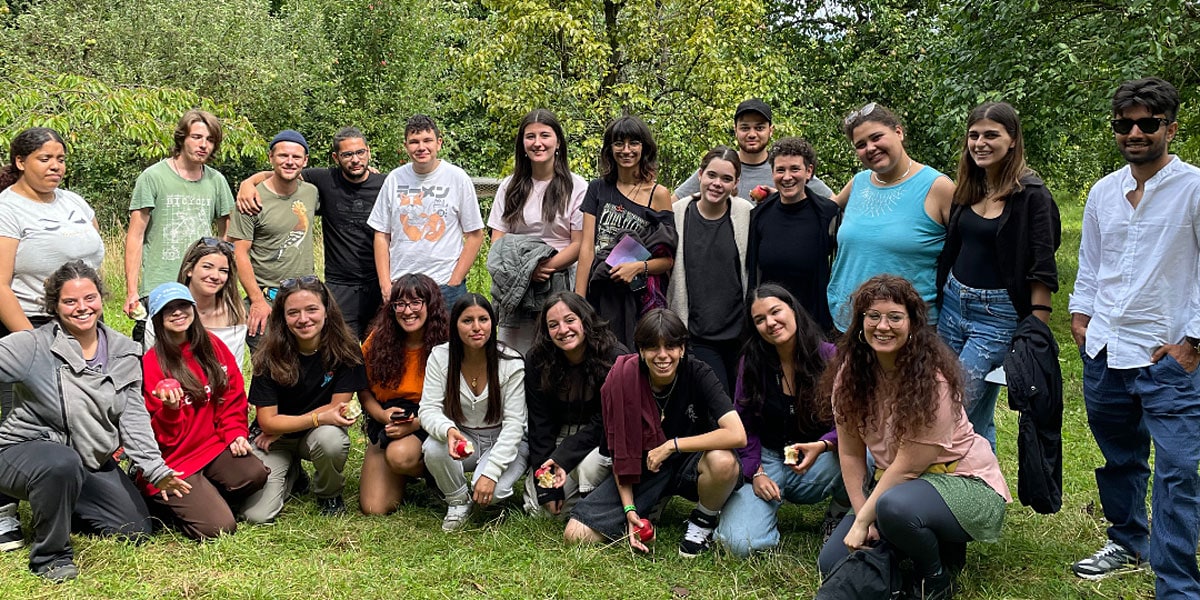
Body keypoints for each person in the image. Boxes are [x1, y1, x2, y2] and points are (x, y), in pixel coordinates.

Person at [1069, 77, 1200, 598]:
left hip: (1168, 356)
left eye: (1148, 123)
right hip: (1105, 351)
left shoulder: (1193, 188)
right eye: (1125, 125)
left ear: (1171, 127)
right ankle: (1127, 542)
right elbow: (1091, 264)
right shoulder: (1104, 191)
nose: (1135, 133)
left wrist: (1193, 342)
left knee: (1176, 476)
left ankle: (1176, 586)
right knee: (1120, 458)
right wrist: (1081, 317)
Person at [817, 275, 1010, 599]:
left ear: (912, 324)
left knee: (894, 508)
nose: (883, 326)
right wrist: (862, 511)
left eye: (895, 317)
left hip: (963, 482)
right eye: (873, 316)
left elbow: (907, 467)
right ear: (860, 322)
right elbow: (850, 454)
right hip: (897, 489)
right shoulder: (851, 374)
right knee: (832, 561)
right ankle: (924, 550)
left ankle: (934, 580)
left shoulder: (932, 380)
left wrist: (864, 521)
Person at [0, 261, 190, 582]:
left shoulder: (123, 351)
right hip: (26, 454)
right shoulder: (32, 345)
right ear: (55, 307)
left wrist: (156, 469)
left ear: (101, 298)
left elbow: (133, 418)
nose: (82, 308)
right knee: (60, 463)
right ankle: (52, 556)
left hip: (90, 462)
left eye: (89, 297)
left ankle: (57, 505)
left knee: (135, 530)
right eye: (70, 301)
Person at [564, 309, 747, 558]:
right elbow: (621, 455)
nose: (662, 355)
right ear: (640, 350)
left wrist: (672, 445)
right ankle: (648, 507)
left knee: (723, 460)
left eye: (671, 346)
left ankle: (703, 521)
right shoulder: (622, 379)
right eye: (653, 347)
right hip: (643, 469)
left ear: (682, 348)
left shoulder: (699, 372)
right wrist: (629, 510)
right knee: (576, 534)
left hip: (688, 462)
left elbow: (737, 434)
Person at [0, 127, 106, 551]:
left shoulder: (75, 203)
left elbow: (96, 264)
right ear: (21, 162)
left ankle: (66, 493)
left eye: (60, 158)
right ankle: (3, 513)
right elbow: (0, 284)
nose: (55, 166)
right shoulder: (8, 208)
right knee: (11, 418)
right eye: (44, 158)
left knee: (70, 410)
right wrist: (30, 342)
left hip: (78, 320)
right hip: (24, 324)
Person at [936, 102, 1061, 450]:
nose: (980, 143)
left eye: (992, 135)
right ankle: (980, 489)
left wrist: (1036, 330)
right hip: (952, 306)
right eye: (974, 135)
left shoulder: (1032, 195)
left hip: (997, 317)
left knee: (954, 405)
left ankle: (961, 486)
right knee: (954, 400)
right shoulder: (969, 187)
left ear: (1013, 140)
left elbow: (1042, 265)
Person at [714, 284, 845, 557]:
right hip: (769, 459)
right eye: (759, 320)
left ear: (793, 309)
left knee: (865, 454)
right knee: (738, 545)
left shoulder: (830, 357)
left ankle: (839, 513)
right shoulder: (752, 363)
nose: (770, 323)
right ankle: (761, 516)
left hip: (819, 459)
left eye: (775, 312)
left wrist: (822, 445)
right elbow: (743, 425)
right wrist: (756, 471)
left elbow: (851, 420)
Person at [139, 282, 268, 540]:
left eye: (183, 306)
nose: (177, 313)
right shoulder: (151, 363)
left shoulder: (212, 345)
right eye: (168, 309)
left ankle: (205, 495)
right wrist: (171, 410)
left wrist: (235, 433)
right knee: (218, 528)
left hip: (211, 445)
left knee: (254, 474)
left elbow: (231, 396)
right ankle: (162, 503)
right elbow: (160, 439)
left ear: (194, 309)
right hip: (175, 459)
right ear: (157, 318)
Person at [235, 126, 387, 339]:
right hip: (338, 285)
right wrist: (248, 182)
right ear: (336, 157)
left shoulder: (386, 184)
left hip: (379, 282)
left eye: (360, 152)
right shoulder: (321, 181)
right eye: (347, 154)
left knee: (379, 353)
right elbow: (285, 172)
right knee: (340, 353)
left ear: (368, 152)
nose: (355, 159)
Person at [240, 275, 366, 522]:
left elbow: (336, 410)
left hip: (314, 434)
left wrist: (287, 426)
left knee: (331, 440)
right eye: (293, 313)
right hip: (273, 439)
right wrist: (314, 418)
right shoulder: (268, 354)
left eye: (311, 309)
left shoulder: (346, 349)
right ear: (283, 318)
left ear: (327, 311)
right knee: (256, 515)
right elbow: (266, 422)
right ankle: (293, 475)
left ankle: (329, 494)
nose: (303, 319)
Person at [827, 103, 954, 332]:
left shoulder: (937, 187)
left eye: (876, 137)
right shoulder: (859, 182)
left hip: (906, 329)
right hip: (849, 322)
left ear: (898, 132)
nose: (871, 148)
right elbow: (819, 210)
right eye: (861, 145)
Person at [123, 109, 235, 345]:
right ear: (182, 138)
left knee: (199, 356)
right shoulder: (153, 177)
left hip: (201, 286)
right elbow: (135, 235)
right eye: (196, 137)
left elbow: (228, 235)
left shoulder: (217, 181)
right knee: (156, 358)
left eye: (210, 140)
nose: (203, 145)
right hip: (160, 283)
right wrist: (132, 290)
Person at [419, 294, 528, 531]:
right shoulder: (440, 356)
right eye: (467, 321)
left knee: (494, 492)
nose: (477, 327)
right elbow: (428, 408)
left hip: (503, 439)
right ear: (455, 325)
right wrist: (448, 430)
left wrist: (490, 473)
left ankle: (489, 483)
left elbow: (515, 425)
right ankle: (457, 501)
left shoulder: (511, 363)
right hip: (464, 435)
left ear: (493, 323)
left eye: (483, 319)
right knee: (433, 448)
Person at [486, 109, 587, 354]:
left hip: (559, 281)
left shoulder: (577, 186)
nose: (538, 143)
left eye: (545, 135)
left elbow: (578, 244)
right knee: (513, 354)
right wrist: (522, 274)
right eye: (530, 137)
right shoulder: (509, 187)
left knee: (556, 351)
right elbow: (497, 240)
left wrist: (542, 268)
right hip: (514, 283)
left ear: (558, 142)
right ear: (522, 144)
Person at [575, 115, 676, 349]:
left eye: (634, 143)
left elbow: (667, 260)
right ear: (610, 149)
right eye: (619, 143)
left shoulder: (658, 194)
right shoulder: (597, 188)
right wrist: (578, 302)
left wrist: (638, 267)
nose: (626, 150)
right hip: (600, 288)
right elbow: (587, 248)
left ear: (645, 148)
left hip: (635, 298)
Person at [523, 291, 625, 517]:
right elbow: (540, 424)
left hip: (603, 439)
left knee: (587, 475)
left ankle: (606, 498)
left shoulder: (614, 357)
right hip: (560, 435)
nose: (563, 330)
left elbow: (606, 423)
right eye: (553, 325)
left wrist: (563, 458)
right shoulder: (537, 360)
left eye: (570, 320)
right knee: (543, 511)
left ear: (585, 320)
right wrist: (546, 484)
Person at [369, 114, 484, 309]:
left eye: (427, 140)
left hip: (444, 285)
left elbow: (475, 234)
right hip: (402, 285)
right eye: (414, 142)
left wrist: (455, 280)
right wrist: (385, 284)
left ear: (439, 143)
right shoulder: (394, 179)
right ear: (406, 146)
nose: (421, 147)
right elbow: (381, 234)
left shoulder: (457, 178)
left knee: (447, 340)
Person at [358, 273, 449, 515]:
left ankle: (437, 478)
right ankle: (404, 475)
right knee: (373, 507)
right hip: (387, 418)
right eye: (400, 304)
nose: (407, 311)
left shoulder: (447, 342)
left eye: (416, 302)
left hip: (432, 418)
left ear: (430, 305)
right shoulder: (378, 340)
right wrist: (381, 416)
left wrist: (416, 423)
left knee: (400, 456)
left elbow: (456, 401)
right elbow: (363, 389)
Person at [667, 146, 752, 393]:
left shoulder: (745, 212)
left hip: (740, 335)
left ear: (736, 183)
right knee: (719, 404)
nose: (717, 184)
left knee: (745, 402)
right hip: (697, 334)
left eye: (726, 179)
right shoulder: (678, 212)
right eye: (712, 175)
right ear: (700, 175)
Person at [228, 130, 319, 351]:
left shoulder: (311, 192)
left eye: (296, 157)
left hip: (305, 298)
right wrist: (257, 301)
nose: (289, 162)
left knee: (308, 369)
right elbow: (238, 253)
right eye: (283, 156)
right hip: (268, 299)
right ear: (271, 157)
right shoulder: (250, 200)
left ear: (305, 161)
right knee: (268, 372)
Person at [745, 137, 841, 334]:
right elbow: (753, 274)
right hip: (771, 326)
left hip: (815, 325)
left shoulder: (827, 214)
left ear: (809, 171)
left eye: (795, 169)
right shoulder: (759, 215)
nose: (787, 177)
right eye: (780, 170)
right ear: (772, 173)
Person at [673, 99, 834, 200]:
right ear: (735, 130)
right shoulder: (722, 166)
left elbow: (832, 202)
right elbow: (672, 204)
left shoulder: (783, 168)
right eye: (745, 128)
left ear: (771, 130)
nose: (752, 134)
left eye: (759, 128)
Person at [143, 237, 249, 366]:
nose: (215, 276)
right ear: (189, 269)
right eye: (207, 267)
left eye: (223, 271)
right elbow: (151, 365)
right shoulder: (163, 311)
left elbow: (234, 371)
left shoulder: (235, 315)